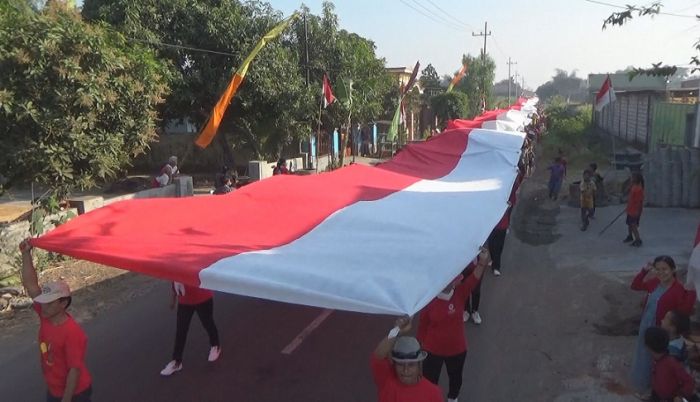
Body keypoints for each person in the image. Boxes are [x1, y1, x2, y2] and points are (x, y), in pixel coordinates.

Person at [19, 239, 93, 402]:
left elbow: (74, 370)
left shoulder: (72, 332)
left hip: (75, 393)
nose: (43, 306)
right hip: (55, 390)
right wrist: (26, 254)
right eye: (43, 301)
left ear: (63, 303)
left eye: (50, 302)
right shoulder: (46, 315)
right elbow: (31, 286)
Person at [418, 248, 491, 402]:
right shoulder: (429, 300)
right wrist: (419, 348)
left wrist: (483, 260)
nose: (449, 283)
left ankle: (453, 398)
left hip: (457, 350)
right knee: (430, 381)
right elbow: (422, 326)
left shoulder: (461, 292)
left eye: (452, 279)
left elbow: (475, 277)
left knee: (455, 377)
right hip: (432, 350)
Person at [630, 256, 696, 396]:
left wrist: (691, 292)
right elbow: (635, 285)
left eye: (664, 269)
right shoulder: (654, 282)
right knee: (643, 353)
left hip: (661, 330)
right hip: (646, 324)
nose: (661, 273)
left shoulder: (679, 290)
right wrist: (644, 271)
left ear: (673, 269)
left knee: (658, 362)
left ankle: (654, 388)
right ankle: (645, 383)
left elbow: (685, 311)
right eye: (657, 269)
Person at [371, 316, 442, 402]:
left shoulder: (433, 392)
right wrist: (396, 330)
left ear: (419, 364)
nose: (406, 370)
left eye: (411, 364)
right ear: (394, 364)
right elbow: (378, 356)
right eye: (401, 364)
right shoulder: (386, 379)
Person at [160, 282, 221, 376]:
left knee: (208, 324)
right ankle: (177, 362)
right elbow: (174, 278)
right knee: (181, 330)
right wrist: (173, 299)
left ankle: (215, 346)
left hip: (203, 298)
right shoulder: (177, 267)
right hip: (184, 301)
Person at [644, 326, 695, 401]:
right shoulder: (656, 359)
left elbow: (689, 381)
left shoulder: (672, 363)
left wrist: (680, 396)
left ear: (647, 347)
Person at [625, 172, 645, 247]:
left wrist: (637, 211)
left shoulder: (639, 189)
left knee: (633, 225)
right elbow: (627, 193)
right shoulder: (633, 187)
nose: (631, 178)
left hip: (635, 210)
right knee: (629, 224)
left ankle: (638, 239)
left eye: (632, 177)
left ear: (636, 179)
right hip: (630, 209)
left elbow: (639, 202)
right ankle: (630, 236)